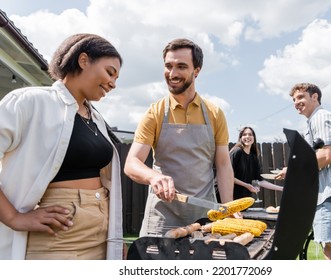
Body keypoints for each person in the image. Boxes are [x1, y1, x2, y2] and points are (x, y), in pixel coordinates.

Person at [0, 33, 124, 260]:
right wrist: (13, 217)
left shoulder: (95, 119)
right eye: (109, 72)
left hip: (100, 230)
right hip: (59, 232)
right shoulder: (30, 101)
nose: (113, 84)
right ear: (83, 60)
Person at [124, 38, 235, 237]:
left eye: (181, 66)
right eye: (168, 66)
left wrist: (228, 209)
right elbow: (132, 163)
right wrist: (153, 176)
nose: (173, 74)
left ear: (197, 71)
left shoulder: (214, 113)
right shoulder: (154, 113)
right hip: (161, 217)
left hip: (204, 215)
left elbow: (224, 165)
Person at [275, 82, 331, 260]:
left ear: (315, 96)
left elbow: (327, 155)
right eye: (294, 99)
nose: (296, 102)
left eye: (301, 97)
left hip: (329, 196)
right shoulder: (314, 121)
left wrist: (293, 169)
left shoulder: (321, 117)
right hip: (328, 196)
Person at [229, 126, 283, 201]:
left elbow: (260, 181)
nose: (247, 136)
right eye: (244, 134)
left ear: (254, 137)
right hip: (229, 200)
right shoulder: (237, 152)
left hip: (242, 201)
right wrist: (246, 185)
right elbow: (227, 176)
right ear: (240, 138)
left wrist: (282, 188)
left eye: (250, 134)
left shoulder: (253, 157)